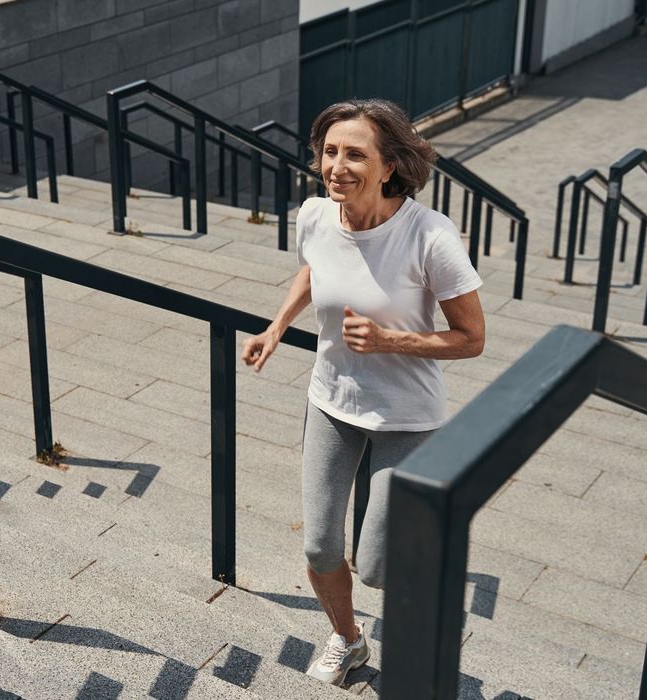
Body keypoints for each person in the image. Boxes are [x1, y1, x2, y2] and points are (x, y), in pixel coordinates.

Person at [240, 98, 486, 687]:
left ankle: (429, 601)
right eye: (329, 152)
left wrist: (389, 340)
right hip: (330, 402)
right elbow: (313, 269)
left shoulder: (430, 236)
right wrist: (276, 327)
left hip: (407, 417)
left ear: (389, 166)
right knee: (321, 549)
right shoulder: (317, 215)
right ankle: (348, 640)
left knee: (377, 565)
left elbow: (472, 339)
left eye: (355, 154)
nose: (337, 167)